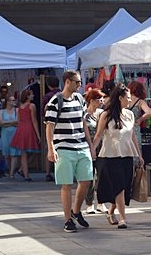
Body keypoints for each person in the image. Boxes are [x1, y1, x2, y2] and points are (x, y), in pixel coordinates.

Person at [46, 70, 95, 233]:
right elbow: (49, 126)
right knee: (66, 184)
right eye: (77, 82)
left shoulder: (80, 99)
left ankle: (76, 211)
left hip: (81, 146)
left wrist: (91, 145)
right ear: (68, 81)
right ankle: (68, 219)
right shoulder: (55, 101)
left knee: (86, 180)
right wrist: (51, 148)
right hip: (64, 147)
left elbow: (83, 122)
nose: (79, 85)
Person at [91, 82, 142, 229]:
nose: (130, 100)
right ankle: (123, 218)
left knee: (124, 186)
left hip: (127, 154)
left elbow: (132, 136)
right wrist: (93, 150)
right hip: (110, 155)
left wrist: (139, 154)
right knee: (119, 186)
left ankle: (111, 211)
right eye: (127, 97)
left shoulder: (130, 114)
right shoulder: (106, 115)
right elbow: (99, 134)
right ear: (119, 98)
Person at [81, 88, 104, 213]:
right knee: (89, 176)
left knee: (101, 175)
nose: (101, 101)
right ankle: (89, 203)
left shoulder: (101, 113)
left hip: (102, 147)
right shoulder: (84, 114)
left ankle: (101, 202)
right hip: (87, 146)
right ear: (91, 101)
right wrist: (91, 148)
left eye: (102, 99)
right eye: (98, 99)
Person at [10, 90, 41, 182]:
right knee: (34, 151)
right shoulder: (32, 106)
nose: (33, 95)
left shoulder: (20, 107)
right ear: (27, 96)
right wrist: (38, 134)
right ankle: (23, 171)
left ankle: (25, 173)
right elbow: (34, 120)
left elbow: (18, 120)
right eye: (31, 94)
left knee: (24, 153)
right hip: (29, 128)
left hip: (21, 129)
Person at [41, 76, 62, 182]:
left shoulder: (46, 97)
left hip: (50, 124)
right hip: (63, 125)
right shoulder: (63, 95)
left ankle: (48, 173)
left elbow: (43, 113)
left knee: (50, 147)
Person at [0, 95, 19, 179]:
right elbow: (1, 123)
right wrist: (12, 123)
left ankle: (11, 173)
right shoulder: (1, 112)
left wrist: (6, 123)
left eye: (14, 100)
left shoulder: (16, 110)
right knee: (7, 154)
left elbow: (17, 121)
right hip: (5, 133)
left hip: (14, 132)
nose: (14, 102)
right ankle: (10, 169)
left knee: (14, 153)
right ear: (7, 102)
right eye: (12, 100)